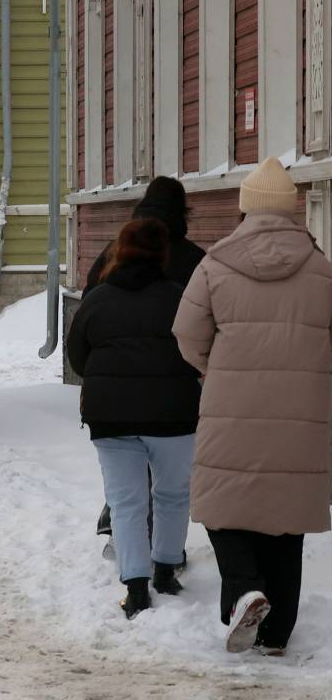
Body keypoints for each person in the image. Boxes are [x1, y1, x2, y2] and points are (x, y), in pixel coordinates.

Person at [173, 156, 332, 656]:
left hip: (230, 408)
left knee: (223, 506)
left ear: (244, 209)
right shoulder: (322, 269)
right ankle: (277, 634)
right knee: (285, 520)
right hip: (303, 415)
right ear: (293, 211)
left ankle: (244, 589)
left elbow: (186, 335)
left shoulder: (215, 264)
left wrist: (214, 369)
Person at [67, 218, 201, 620]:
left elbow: (78, 357)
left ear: (118, 252)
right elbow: (198, 350)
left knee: (126, 502)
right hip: (174, 415)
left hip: (111, 416)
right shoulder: (181, 299)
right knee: (173, 494)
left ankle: (136, 589)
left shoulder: (96, 300)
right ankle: (165, 570)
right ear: (162, 254)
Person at [85, 176, 206, 561]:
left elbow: (85, 323)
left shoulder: (111, 254)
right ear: (182, 212)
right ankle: (166, 558)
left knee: (127, 480)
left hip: (115, 397)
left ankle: (127, 545)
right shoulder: (196, 260)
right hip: (176, 392)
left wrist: (102, 370)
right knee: (171, 484)